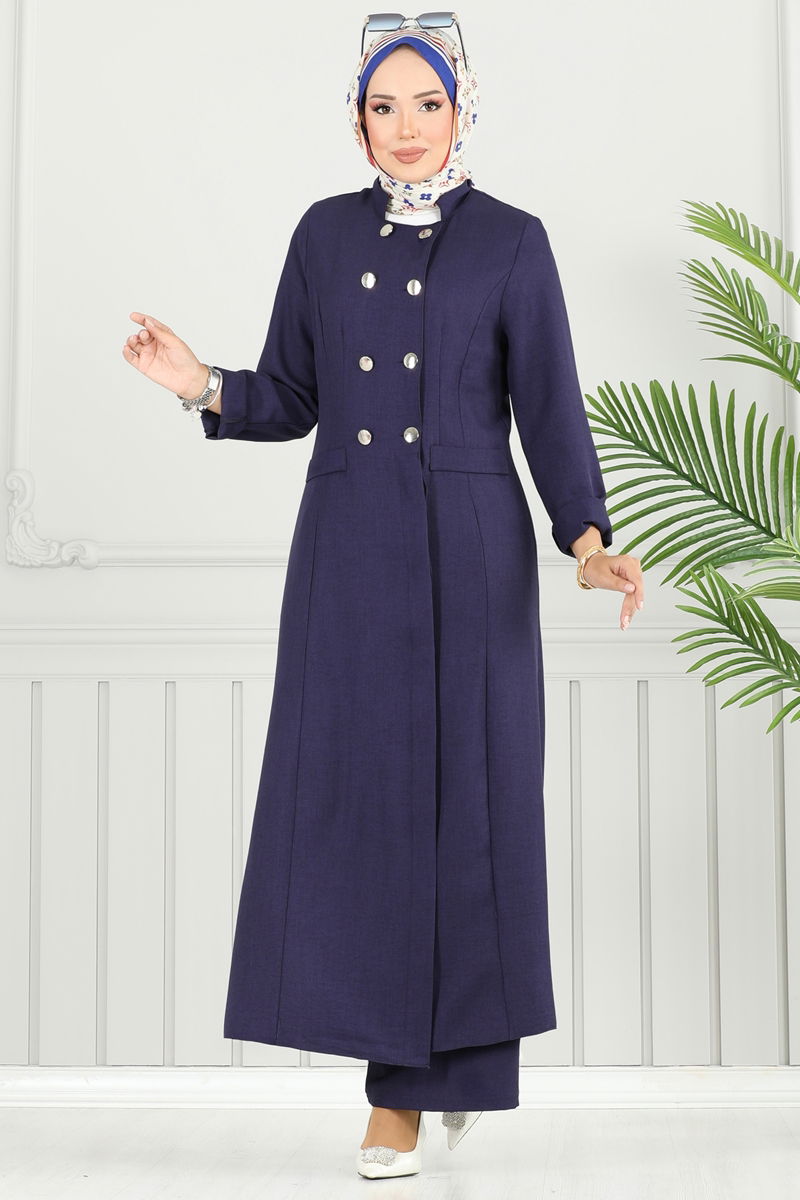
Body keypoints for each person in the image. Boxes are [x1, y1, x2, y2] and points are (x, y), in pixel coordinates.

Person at [122, 14, 645, 1180]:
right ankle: (407, 1082)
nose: (405, 128)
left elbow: (550, 405)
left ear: (463, 110)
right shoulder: (321, 235)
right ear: (355, 120)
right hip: (349, 556)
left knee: (470, 805)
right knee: (359, 810)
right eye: (382, 106)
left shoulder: (511, 241)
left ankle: (424, 1088)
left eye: (427, 104)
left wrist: (586, 538)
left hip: (471, 554)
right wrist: (200, 383)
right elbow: (291, 393)